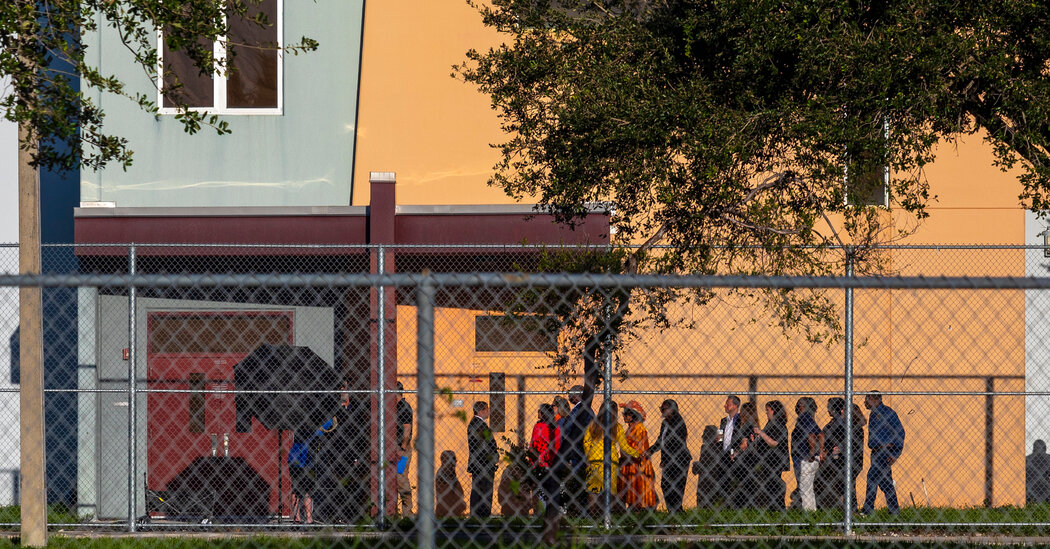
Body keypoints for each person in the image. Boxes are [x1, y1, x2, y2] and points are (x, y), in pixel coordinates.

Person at [582, 400, 639, 513]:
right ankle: (609, 517)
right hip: (611, 462)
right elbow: (624, 446)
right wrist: (637, 453)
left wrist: (589, 456)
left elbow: (586, 443)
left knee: (593, 491)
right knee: (610, 491)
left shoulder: (593, 424)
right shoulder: (616, 427)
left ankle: (594, 517)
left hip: (594, 460)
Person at [860, 391, 905, 516]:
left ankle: (867, 510)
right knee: (886, 483)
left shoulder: (888, 413)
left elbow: (900, 432)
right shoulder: (873, 414)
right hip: (876, 453)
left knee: (872, 478)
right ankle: (894, 511)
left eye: (867, 399)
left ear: (875, 399)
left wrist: (895, 453)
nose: (865, 402)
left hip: (884, 453)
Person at [646, 399, 691, 513]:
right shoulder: (665, 423)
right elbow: (661, 440)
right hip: (669, 460)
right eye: (661, 408)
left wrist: (665, 459)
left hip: (679, 459)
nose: (661, 411)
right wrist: (650, 451)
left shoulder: (678, 422)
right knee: (666, 485)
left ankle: (677, 511)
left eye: (664, 408)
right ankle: (672, 511)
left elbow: (674, 444)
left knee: (676, 486)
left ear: (672, 410)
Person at [559, 385, 595, 517]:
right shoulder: (586, 410)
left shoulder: (580, 411)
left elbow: (568, 431)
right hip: (582, 452)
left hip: (578, 453)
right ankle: (581, 512)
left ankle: (580, 513)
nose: (569, 397)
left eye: (571, 394)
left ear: (577, 395)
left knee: (577, 483)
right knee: (580, 482)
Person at [619, 400, 657, 510]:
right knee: (630, 491)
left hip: (637, 464)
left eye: (627, 414)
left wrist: (626, 455)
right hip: (628, 463)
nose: (624, 416)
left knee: (637, 491)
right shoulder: (630, 428)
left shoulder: (639, 428)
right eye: (625, 414)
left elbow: (639, 450)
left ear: (633, 415)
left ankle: (638, 514)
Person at [752, 400, 789, 510]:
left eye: (768, 410)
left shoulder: (779, 425)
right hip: (768, 461)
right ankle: (773, 511)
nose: (766, 413)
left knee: (774, 488)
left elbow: (774, 443)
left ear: (774, 411)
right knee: (769, 488)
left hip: (775, 461)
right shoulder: (770, 424)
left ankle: (778, 510)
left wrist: (761, 433)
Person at [467, 401, 499, 518]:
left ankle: (477, 515)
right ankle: (482, 515)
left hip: (480, 463)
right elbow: (485, 446)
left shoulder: (477, 424)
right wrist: (493, 456)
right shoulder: (478, 425)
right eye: (487, 409)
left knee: (479, 489)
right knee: (485, 490)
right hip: (483, 463)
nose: (489, 411)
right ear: (481, 411)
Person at [791, 397, 823, 511]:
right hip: (807, 458)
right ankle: (812, 514)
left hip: (804, 459)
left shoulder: (804, 418)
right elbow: (820, 435)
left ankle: (808, 517)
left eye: (799, 405)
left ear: (804, 407)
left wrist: (811, 452)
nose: (796, 407)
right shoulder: (809, 419)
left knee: (804, 490)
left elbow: (813, 435)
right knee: (807, 489)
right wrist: (821, 452)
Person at [530, 403, 562, 513]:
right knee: (551, 490)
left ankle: (541, 514)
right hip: (552, 462)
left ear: (543, 413)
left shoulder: (538, 427)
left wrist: (532, 462)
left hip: (540, 463)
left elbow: (533, 446)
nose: (538, 412)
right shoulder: (556, 427)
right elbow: (557, 446)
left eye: (539, 411)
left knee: (540, 491)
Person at [817, 398, 847, 510]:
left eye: (829, 407)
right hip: (830, 456)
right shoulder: (834, 421)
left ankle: (842, 509)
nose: (827, 409)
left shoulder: (840, 422)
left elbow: (839, 438)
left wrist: (835, 449)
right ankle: (835, 508)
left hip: (837, 458)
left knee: (838, 484)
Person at [717, 395, 746, 505]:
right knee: (723, 482)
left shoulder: (740, 420)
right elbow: (720, 437)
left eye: (727, 404)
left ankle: (736, 505)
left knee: (735, 480)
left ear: (735, 406)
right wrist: (719, 438)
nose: (725, 405)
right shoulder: (723, 421)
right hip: (724, 455)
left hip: (735, 454)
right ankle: (725, 505)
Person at [731, 401, 760, 508]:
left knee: (742, 487)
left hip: (744, 460)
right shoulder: (755, 426)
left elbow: (744, 445)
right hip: (752, 460)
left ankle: (741, 508)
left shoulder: (746, 426)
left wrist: (734, 454)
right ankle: (749, 509)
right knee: (749, 487)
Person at [288, 428, 315, 523]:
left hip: (308, 459)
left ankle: (309, 519)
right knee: (296, 489)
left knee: (308, 490)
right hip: (297, 459)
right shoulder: (299, 423)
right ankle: (297, 518)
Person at [395, 381, 414, 515]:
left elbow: (407, 428)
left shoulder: (403, 407)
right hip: (395, 448)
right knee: (394, 477)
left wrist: (403, 447)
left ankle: (407, 512)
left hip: (402, 449)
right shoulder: (394, 406)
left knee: (400, 477)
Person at [692, 425, 721, 508]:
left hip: (707, 484)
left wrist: (696, 465)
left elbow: (705, 465)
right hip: (710, 483)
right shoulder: (716, 447)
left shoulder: (707, 447)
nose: (702, 436)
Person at [434, 450, 467, 517]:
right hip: (447, 509)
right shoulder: (442, 474)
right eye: (451, 459)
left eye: (454, 459)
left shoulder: (451, 474)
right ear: (443, 461)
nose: (454, 462)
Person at [1027, 440, 1050, 504]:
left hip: (1029, 492)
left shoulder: (1027, 459)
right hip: (1045, 492)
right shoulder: (1048, 458)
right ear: (1045, 448)